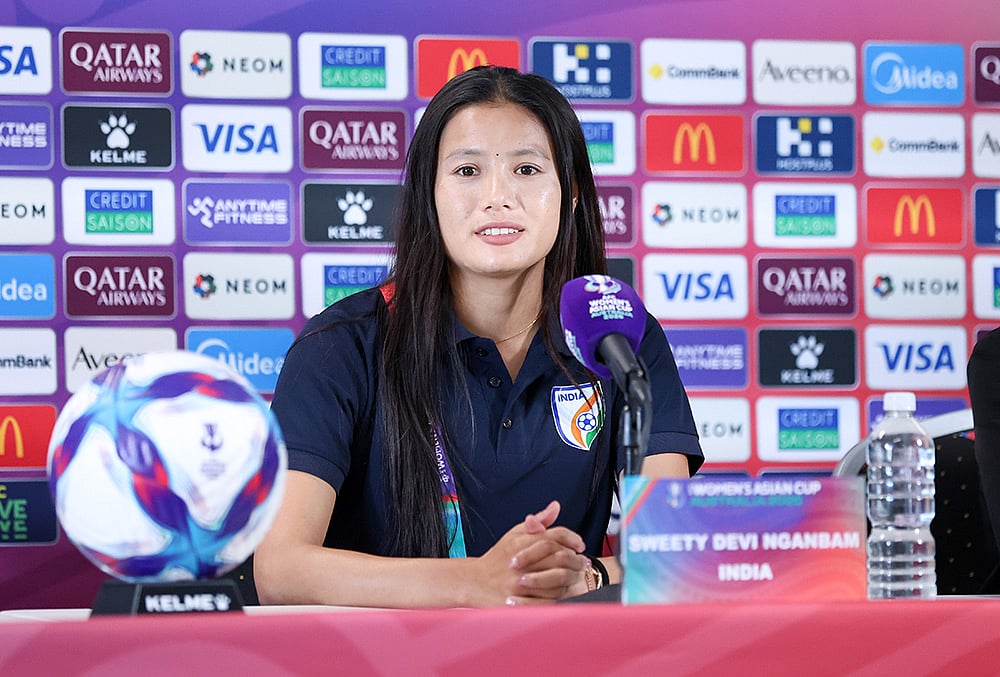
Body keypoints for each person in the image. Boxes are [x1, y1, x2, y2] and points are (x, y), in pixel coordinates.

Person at [253, 65, 703, 608]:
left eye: (528, 169)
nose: (497, 197)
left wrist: (580, 580)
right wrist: (478, 584)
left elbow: (673, 553)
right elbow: (279, 567)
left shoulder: (617, 338)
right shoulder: (341, 347)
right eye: (467, 170)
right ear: (429, 195)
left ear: (573, 194)